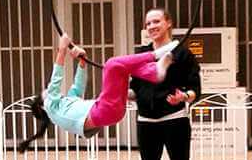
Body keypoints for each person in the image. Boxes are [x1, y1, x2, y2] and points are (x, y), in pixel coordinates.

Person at [19, 32, 177, 151]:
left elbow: (78, 86)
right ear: (42, 106)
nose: (47, 90)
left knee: (122, 68)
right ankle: (155, 56)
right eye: (44, 92)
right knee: (112, 64)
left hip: (109, 112)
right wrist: (62, 50)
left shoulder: (64, 105)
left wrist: (82, 60)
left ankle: (154, 72)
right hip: (103, 110)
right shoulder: (50, 107)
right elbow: (55, 80)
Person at [130, 8, 201, 160]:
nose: (152, 26)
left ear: (168, 23)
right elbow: (135, 90)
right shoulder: (141, 55)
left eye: (156, 21)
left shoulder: (182, 54)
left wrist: (184, 97)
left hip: (175, 121)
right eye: (148, 23)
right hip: (146, 124)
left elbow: (195, 90)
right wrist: (121, 94)